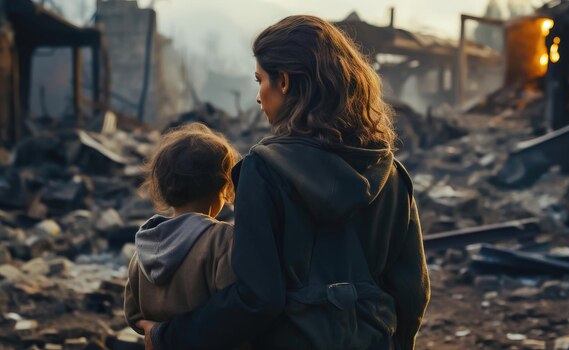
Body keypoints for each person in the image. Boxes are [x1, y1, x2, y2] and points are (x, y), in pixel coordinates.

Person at [138, 15, 430, 350]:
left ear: (286, 82)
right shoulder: (391, 173)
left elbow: (257, 298)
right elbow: (413, 292)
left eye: (260, 79)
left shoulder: (263, 171)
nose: (259, 96)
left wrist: (167, 336)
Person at [124, 122, 239, 335]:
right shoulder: (221, 239)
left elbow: (133, 315)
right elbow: (234, 307)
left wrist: (155, 331)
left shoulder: (144, 246)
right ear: (221, 188)